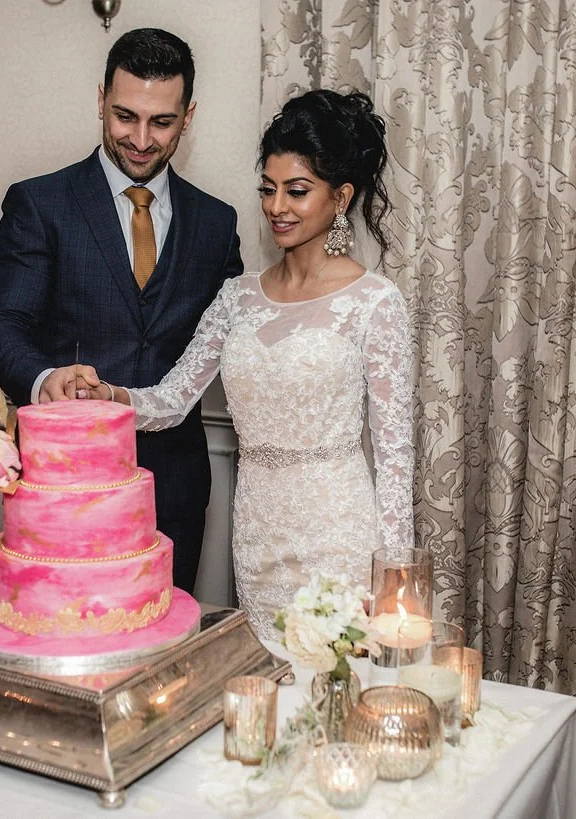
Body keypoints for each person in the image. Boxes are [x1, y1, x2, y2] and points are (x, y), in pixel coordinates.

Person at [71, 89, 414, 637]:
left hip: (339, 531)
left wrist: (397, 573)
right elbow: (172, 400)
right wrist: (107, 395)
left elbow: (395, 453)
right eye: (269, 189)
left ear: (341, 196)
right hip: (257, 534)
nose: (277, 206)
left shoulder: (374, 301)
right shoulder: (237, 297)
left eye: (297, 191)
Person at [0, 28, 244, 594]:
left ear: (188, 115)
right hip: (65, 483)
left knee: (163, 644)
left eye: (162, 122)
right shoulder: (39, 203)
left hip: (174, 485)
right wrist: (46, 379)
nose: (142, 139)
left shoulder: (217, 225)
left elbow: (236, 339)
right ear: (100, 99)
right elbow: (2, 326)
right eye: (125, 116)